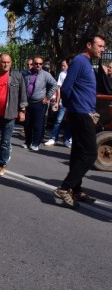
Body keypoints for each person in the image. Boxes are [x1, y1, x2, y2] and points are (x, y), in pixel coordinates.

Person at [54, 35, 106, 208]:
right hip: (80, 112)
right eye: (99, 46)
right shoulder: (79, 61)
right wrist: (71, 108)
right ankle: (65, 187)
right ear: (89, 45)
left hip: (84, 112)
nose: (102, 49)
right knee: (91, 153)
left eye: (103, 46)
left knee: (77, 152)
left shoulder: (88, 63)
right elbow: (66, 87)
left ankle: (76, 190)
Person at [0, 54, 27, 176]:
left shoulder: (17, 76)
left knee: (5, 141)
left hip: (10, 114)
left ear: (11, 63)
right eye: (3, 62)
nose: (6, 64)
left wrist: (22, 110)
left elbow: (23, 93)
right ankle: (4, 154)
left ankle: (1, 164)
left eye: (8, 62)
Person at [21, 56, 57, 151]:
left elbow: (54, 85)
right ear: (32, 64)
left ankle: (35, 143)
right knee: (27, 124)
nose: (38, 65)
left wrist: (47, 97)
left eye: (40, 64)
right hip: (28, 102)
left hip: (39, 102)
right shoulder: (26, 74)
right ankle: (28, 141)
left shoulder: (45, 74)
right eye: (36, 63)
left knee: (37, 124)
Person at [43, 59, 72, 147]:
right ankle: (53, 138)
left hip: (73, 102)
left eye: (64, 65)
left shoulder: (76, 73)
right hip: (63, 101)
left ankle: (66, 139)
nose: (63, 67)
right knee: (59, 120)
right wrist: (57, 101)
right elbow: (58, 88)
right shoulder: (63, 74)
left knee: (70, 121)